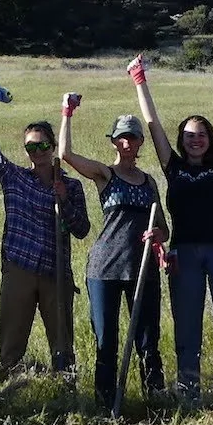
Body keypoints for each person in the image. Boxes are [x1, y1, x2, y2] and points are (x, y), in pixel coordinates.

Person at [129, 54, 213, 391]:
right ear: (181, 141)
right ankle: (188, 391)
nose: (195, 140)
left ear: (210, 139)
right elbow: (153, 123)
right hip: (183, 253)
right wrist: (140, 81)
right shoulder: (173, 167)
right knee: (187, 325)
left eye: (200, 135)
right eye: (188, 135)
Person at [0, 85, 90, 381]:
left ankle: (67, 397)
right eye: (31, 147)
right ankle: (8, 397)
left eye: (42, 146)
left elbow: (82, 230)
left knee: (62, 346)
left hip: (56, 272)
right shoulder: (13, 178)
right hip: (19, 268)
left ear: (52, 147)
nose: (37, 152)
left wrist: (63, 199)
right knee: (10, 344)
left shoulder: (71, 186)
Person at [58, 92, 168, 407]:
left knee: (148, 343)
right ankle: (106, 408)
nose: (127, 143)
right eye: (122, 138)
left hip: (142, 272)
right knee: (106, 343)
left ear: (140, 141)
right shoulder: (105, 175)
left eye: (133, 137)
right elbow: (65, 154)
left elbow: (164, 226)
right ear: (114, 142)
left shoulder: (149, 183)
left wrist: (158, 234)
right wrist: (67, 112)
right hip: (104, 270)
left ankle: (156, 403)